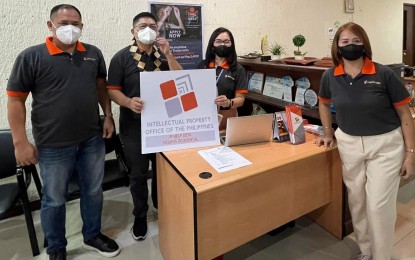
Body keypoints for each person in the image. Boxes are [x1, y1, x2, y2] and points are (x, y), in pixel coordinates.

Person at [6, 4, 120, 260]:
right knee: (54, 199)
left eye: (76, 23)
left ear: (82, 26)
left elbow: (101, 88)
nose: (71, 28)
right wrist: (20, 142)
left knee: (93, 191)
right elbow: (15, 101)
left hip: (92, 139)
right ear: (50, 25)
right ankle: (56, 248)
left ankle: (92, 235)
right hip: (53, 145)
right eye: (64, 22)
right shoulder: (31, 57)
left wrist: (109, 116)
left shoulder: (93, 53)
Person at [316, 22, 415, 260]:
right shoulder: (330, 75)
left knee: (378, 207)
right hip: (349, 144)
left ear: (365, 44)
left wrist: (411, 152)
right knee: (358, 203)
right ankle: (366, 251)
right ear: (337, 47)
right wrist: (328, 132)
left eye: (357, 42)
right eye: (345, 42)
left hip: (385, 146)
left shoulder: (384, 74)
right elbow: (323, 102)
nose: (351, 46)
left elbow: (405, 113)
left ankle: (382, 256)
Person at [107, 12, 182, 241]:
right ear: (133, 31)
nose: (148, 29)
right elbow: (111, 90)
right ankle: (140, 215)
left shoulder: (162, 55)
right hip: (133, 129)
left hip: (163, 126)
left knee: (163, 171)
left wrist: (169, 54)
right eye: (142, 26)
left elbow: (180, 79)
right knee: (138, 175)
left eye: (152, 26)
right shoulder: (121, 58)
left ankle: (162, 207)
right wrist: (128, 102)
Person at [196, 27, 248, 130]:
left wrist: (228, 102)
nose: (222, 45)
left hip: (227, 120)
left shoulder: (238, 69)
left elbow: (241, 99)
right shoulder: (202, 66)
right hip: (203, 119)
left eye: (226, 42)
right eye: (218, 41)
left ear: (231, 45)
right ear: (212, 45)